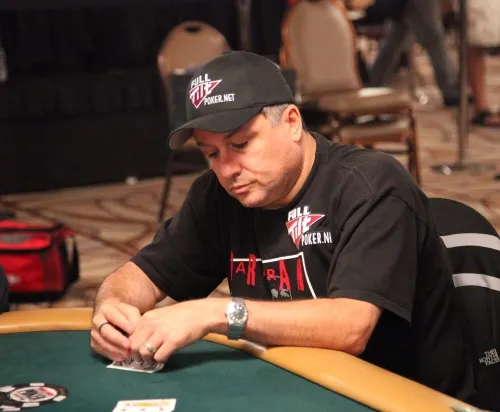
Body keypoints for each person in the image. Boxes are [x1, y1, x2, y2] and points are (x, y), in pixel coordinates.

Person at [91, 51, 479, 406]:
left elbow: (351, 327)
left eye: (240, 144)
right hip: (298, 390)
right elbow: (140, 275)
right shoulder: (218, 196)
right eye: (211, 153)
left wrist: (217, 313)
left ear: (292, 122)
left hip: (401, 400)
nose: (227, 170)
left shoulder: (371, 186)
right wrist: (113, 306)